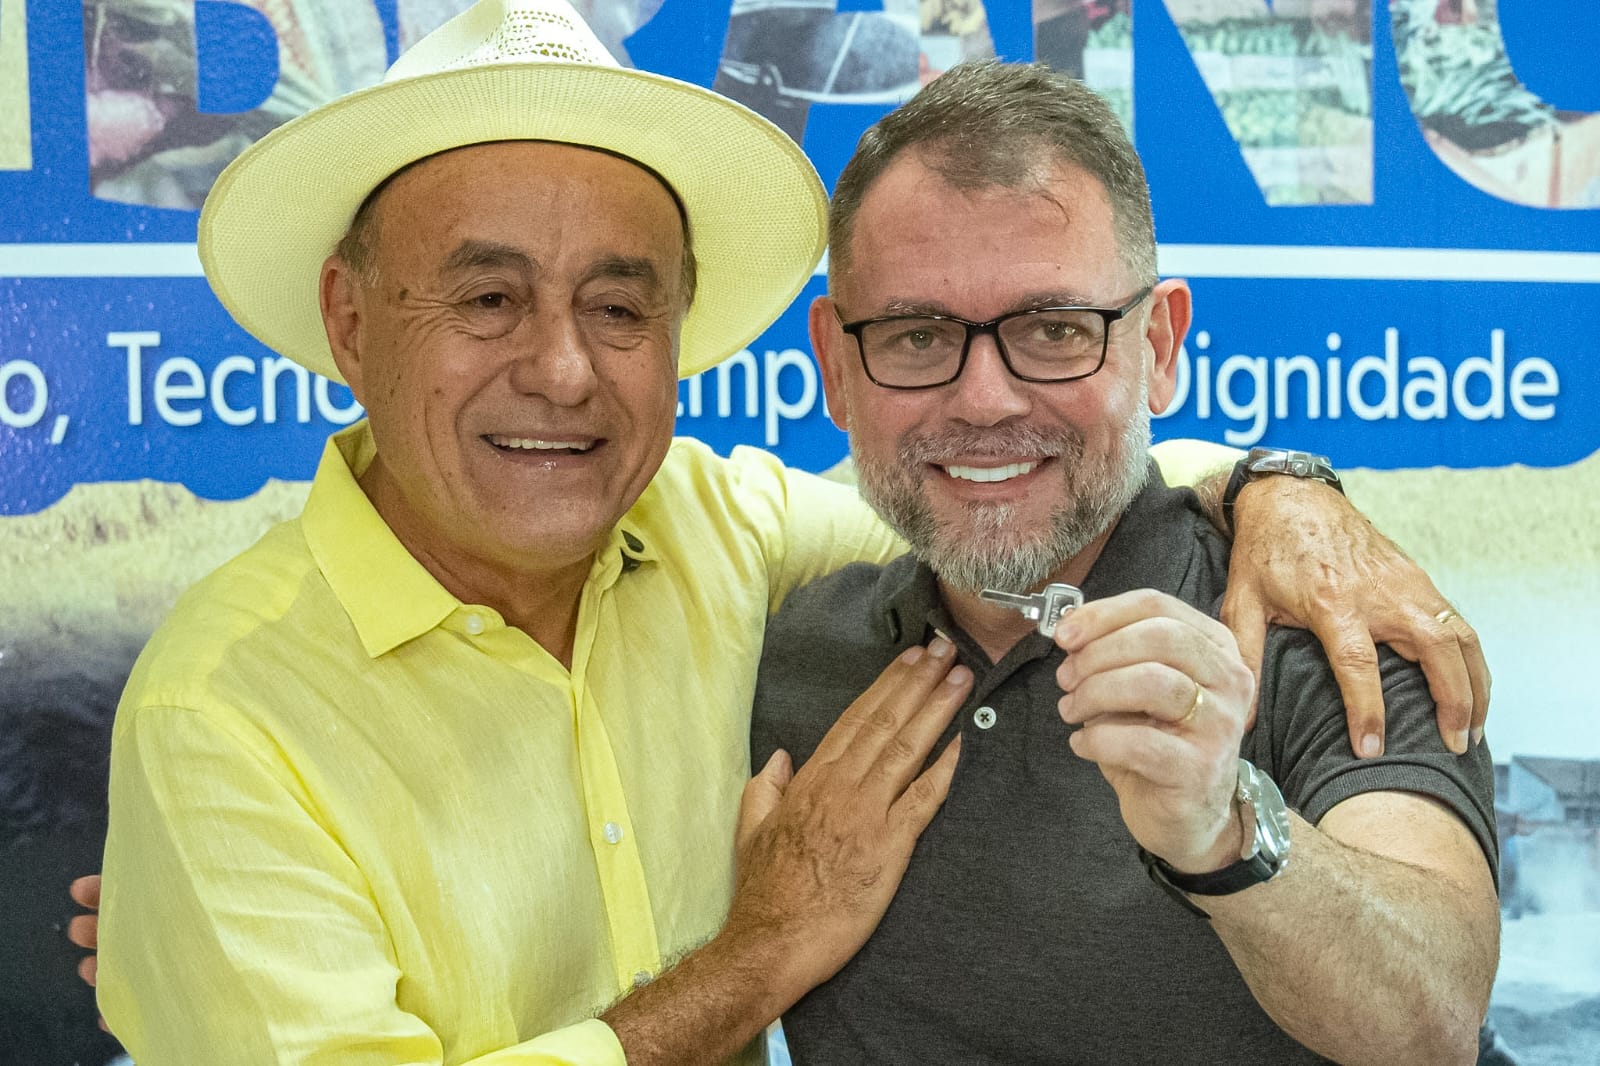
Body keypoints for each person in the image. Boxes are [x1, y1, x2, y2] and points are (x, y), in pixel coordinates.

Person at [83, 2, 1487, 1063]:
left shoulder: (1300, 611)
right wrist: (758, 955)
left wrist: (1278, 490)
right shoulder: (224, 717)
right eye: (487, 299)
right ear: (349, 321)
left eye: (618, 307)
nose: (562, 370)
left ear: (1156, 343)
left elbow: (1431, 1011)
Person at [753, 60, 1500, 1065]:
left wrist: (1225, 831)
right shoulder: (780, 653)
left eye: (1054, 329)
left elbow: (1435, 1018)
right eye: (916, 334)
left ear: (1159, 345)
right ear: (835, 368)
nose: (984, 400)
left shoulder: (1322, 621)